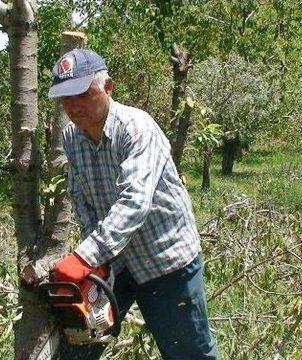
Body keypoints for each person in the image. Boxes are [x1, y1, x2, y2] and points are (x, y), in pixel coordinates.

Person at [49, 49, 220, 360]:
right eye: (65, 98)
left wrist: (85, 257)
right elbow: (81, 198)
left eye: (83, 93)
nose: (73, 105)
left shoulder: (136, 129)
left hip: (165, 260)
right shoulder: (71, 137)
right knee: (80, 344)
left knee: (190, 354)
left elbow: (135, 202)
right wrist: (97, 261)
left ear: (108, 87)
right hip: (115, 262)